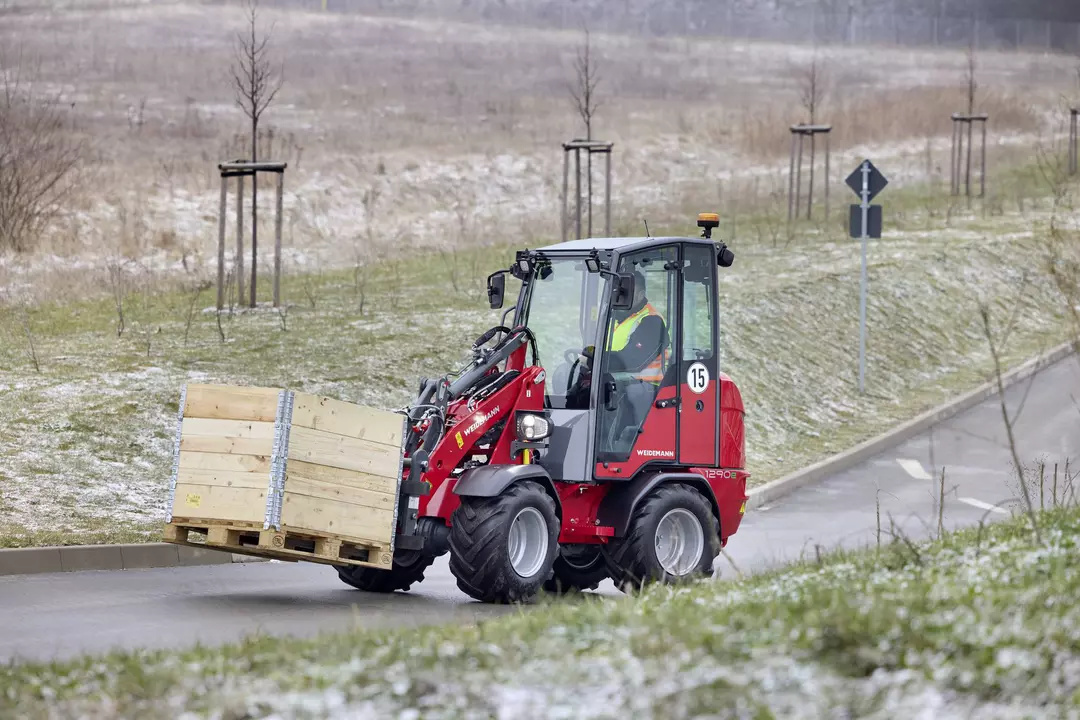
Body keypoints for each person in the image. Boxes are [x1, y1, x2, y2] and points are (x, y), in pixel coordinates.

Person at [606, 269, 668, 384]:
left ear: (641, 295)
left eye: (626, 293)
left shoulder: (652, 322)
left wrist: (596, 360)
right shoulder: (613, 319)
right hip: (618, 383)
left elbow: (632, 361)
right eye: (618, 292)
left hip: (646, 386)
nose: (620, 297)